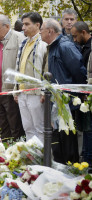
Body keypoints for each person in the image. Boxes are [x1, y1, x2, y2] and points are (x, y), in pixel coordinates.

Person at [41, 18, 87, 164]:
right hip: (56, 101)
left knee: (68, 140)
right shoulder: (53, 47)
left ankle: (70, 169)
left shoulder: (65, 46)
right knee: (57, 139)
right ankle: (60, 168)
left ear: (50, 31)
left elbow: (79, 72)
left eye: (41, 29)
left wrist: (75, 95)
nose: (40, 32)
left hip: (67, 101)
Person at [0, 15, 25, 140]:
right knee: (3, 127)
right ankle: (5, 154)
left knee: (15, 127)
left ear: (7, 26)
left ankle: (16, 154)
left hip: (10, 92)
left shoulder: (19, 38)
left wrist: (17, 89)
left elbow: (21, 66)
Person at [14, 12, 47, 143]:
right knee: (27, 128)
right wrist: (16, 90)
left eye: (27, 24)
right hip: (22, 92)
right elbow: (18, 68)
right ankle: (31, 158)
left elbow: (46, 69)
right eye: (23, 24)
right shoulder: (24, 43)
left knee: (39, 128)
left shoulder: (43, 43)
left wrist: (44, 91)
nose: (23, 28)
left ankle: (42, 159)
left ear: (37, 25)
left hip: (36, 92)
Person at [71, 21, 92, 165]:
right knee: (86, 128)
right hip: (85, 93)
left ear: (83, 32)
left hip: (89, 93)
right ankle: (86, 157)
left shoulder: (89, 48)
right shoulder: (84, 47)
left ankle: (88, 160)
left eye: (75, 36)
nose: (74, 39)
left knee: (89, 129)